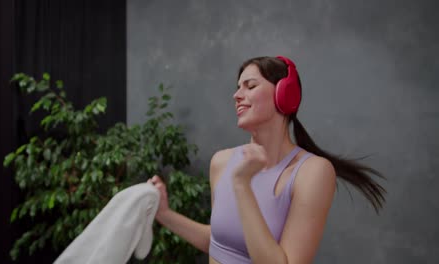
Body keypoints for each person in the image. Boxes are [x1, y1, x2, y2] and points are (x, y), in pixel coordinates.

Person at [147, 56, 385, 264]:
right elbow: (220, 241)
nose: (237, 95)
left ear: (285, 95)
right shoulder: (221, 161)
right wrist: (164, 214)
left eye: (250, 86)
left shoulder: (313, 172)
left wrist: (242, 185)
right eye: (238, 87)